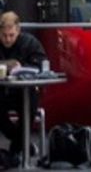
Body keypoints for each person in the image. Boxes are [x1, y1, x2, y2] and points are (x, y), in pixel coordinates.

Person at [0, 13, 46, 160]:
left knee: (29, 103)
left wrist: (23, 67)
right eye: (4, 35)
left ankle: (17, 147)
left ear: (18, 31)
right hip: (1, 92)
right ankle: (22, 143)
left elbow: (41, 64)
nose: (7, 39)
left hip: (23, 92)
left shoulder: (30, 43)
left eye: (11, 35)